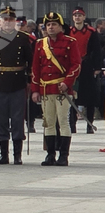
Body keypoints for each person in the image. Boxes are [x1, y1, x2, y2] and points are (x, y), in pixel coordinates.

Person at [0, 6, 34, 165]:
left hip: (18, 82)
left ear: (15, 21)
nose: (7, 22)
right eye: (5, 19)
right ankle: (3, 153)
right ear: (0, 21)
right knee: (1, 118)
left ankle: (17, 154)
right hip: (0, 82)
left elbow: (30, 61)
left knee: (18, 119)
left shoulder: (22, 38)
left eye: (10, 20)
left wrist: (29, 81)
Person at [31, 12, 81, 167]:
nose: (50, 27)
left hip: (62, 89)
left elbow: (76, 64)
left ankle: (63, 155)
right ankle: (50, 154)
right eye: (48, 25)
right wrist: (35, 90)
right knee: (48, 123)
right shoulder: (40, 44)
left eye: (54, 24)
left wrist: (67, 82)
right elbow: (35, 68)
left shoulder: (70, 42)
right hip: (46, 88)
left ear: (61, 27)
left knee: (63, 122)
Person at [69, 7, 101, 134]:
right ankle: (72, 124)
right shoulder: (69, 32)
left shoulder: (91, 32)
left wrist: (97, 67)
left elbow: (97, 50)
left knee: (90, 96)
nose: (77, 18)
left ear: (83, 17)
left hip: (87, 66)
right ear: (73, 18)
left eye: (80, 15)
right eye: (75, 16)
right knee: (72, 95)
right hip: (73, 66)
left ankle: (89, 124)